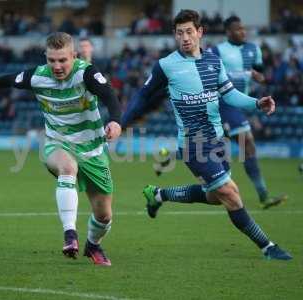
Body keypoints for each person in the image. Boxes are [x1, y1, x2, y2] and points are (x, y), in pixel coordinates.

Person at [122, 10, 291, 260]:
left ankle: (158, 194)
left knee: (214, 196)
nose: (185, 38)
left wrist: (257, 103)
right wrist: (120, 122)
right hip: (193, 144)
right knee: (231, 194)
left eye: (189, 31)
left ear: (200, 32)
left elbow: (230, 94)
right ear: (175, 36)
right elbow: (143, 96)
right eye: (179, 33)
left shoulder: (213, 61)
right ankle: (268, 247)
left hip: (217, 140)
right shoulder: (166, 65)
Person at [0, 32, 122, 266]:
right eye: (52, 60)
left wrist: (116, 121)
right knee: (67, 167)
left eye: (62, 60)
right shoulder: (38, 77)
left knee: (104, 215)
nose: (57, 66)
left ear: (74, 56)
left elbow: (109, 95)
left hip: (93, 150)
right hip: (57, 142)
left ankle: (93, 245)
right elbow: (9, 79)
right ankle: (70, 234)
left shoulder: (86, 72)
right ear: (45, 58)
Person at [210, 16, 286, 209]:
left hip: (241, 104)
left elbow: (261, 75)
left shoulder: (254, 49)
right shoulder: (217, 51)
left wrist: (259, 77)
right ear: (228, 32)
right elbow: (208, 74)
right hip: (224, 103)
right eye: (237, 29)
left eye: (243, 28)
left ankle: (221, 187)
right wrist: (242, 75)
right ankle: (261, 195)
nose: (242, 32)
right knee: (248, 144)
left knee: (234, 149)